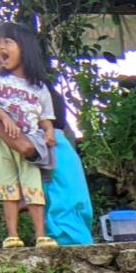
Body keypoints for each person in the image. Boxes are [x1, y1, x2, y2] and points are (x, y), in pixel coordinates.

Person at [0, 22, 57, 248]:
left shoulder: (39, 86)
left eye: (7, 42)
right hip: (4, 142)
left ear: (25, 47)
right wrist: (5, 118)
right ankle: (13, 235)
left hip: (30, 140)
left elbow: (46, 115)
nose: (1, 48)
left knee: (34, 187)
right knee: (8, 188)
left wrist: (49, 131)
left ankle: (40, 235)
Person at [43, 86, 94, 246]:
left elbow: (41, 192)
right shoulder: (68, 150)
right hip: (82, 234)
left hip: (63, 236)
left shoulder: (47, 148)